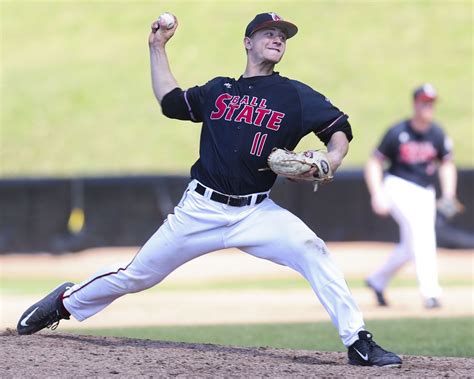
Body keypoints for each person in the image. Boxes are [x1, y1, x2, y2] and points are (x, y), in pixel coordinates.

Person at [17, 12, 401, 367]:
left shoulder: (295, 96)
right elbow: (170, 101)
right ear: (247, 42)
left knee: (313, 250)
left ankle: (358, 342)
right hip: (200, 209)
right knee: (137, 275)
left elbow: (339, 129)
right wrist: (157, 47)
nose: (278, 39)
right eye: (269, 33)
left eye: (283, 36)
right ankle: (66, 302)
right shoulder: (219, 90)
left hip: (256, 212)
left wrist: (330, 161)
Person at [364, 83, 459, 309]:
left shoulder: (437, 133)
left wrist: (448, 193)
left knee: (410, 246)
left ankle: (377, 280)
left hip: (425, 192)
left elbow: (447, 164)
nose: (428, 107)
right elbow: (374, 162)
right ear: (415, 103)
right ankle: (431, 294)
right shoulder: (398, 131)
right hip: (398, 186)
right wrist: (377, 194)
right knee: (423, 234)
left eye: (431, 103)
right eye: (424, 102)